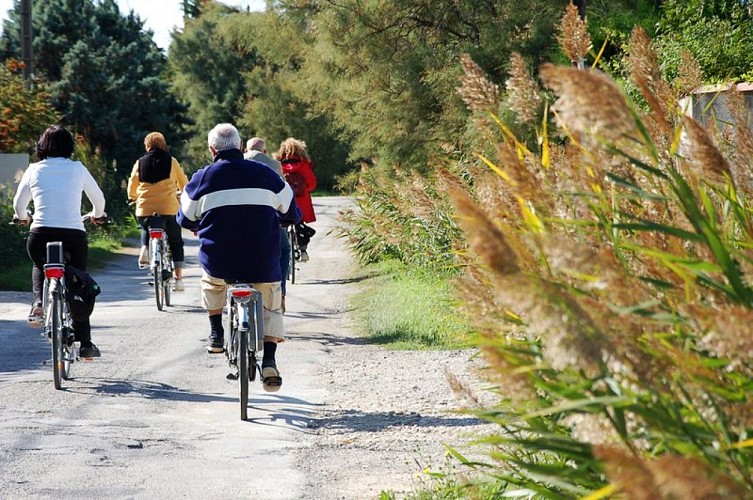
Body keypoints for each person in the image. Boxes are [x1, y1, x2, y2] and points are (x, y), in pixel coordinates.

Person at [178, 123, 299, 392]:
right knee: (271, 301)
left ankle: (216, 334)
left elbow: (184, 217)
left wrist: (200, 224)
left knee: (212, 283)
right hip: (261, 261)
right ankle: (269, 360)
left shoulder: (201, 179)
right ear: (241, 146)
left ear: (212, 150)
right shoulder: (266, 175)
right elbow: (291, 211)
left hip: (220, 261)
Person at [12, 125, 107, 358]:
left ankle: (38, 303)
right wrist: (97, 214)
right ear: (69, 146)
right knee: (77, 283)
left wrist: (23, 218)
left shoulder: (34, 169)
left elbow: (18, 205)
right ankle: (85, 345)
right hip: (73, 235)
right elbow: (99, 199)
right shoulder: (77, 168)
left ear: (42, 146)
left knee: (40, 266)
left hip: (40, 235)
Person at [127, 132, 189, 291]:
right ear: (163, 145)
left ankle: (144, 248)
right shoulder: (172, 161)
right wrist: (183, 193)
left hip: (144, 208)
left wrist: (133, 197)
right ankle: (179, 279)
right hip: (168, 208)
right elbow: (184, 183)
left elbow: (132, 186)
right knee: (175, 240)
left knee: (145, 225)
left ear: (147, 146)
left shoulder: (140, 163)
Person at [245, 137, 301, 310]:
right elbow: (282, 193)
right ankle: (281, 293)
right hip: (268, 219)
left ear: (245, 150)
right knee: (284, 250)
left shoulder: (237, 163)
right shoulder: (274, 165)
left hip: (240, 220)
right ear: (265, 152)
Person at [276, 137, 317, 262]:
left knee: (281, 224)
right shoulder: (304, 165)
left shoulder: (278, 165)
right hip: (302, 202)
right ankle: (303, 249)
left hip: (285, 201)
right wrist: (304, 191)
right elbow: (312, 184)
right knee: (300, 224)